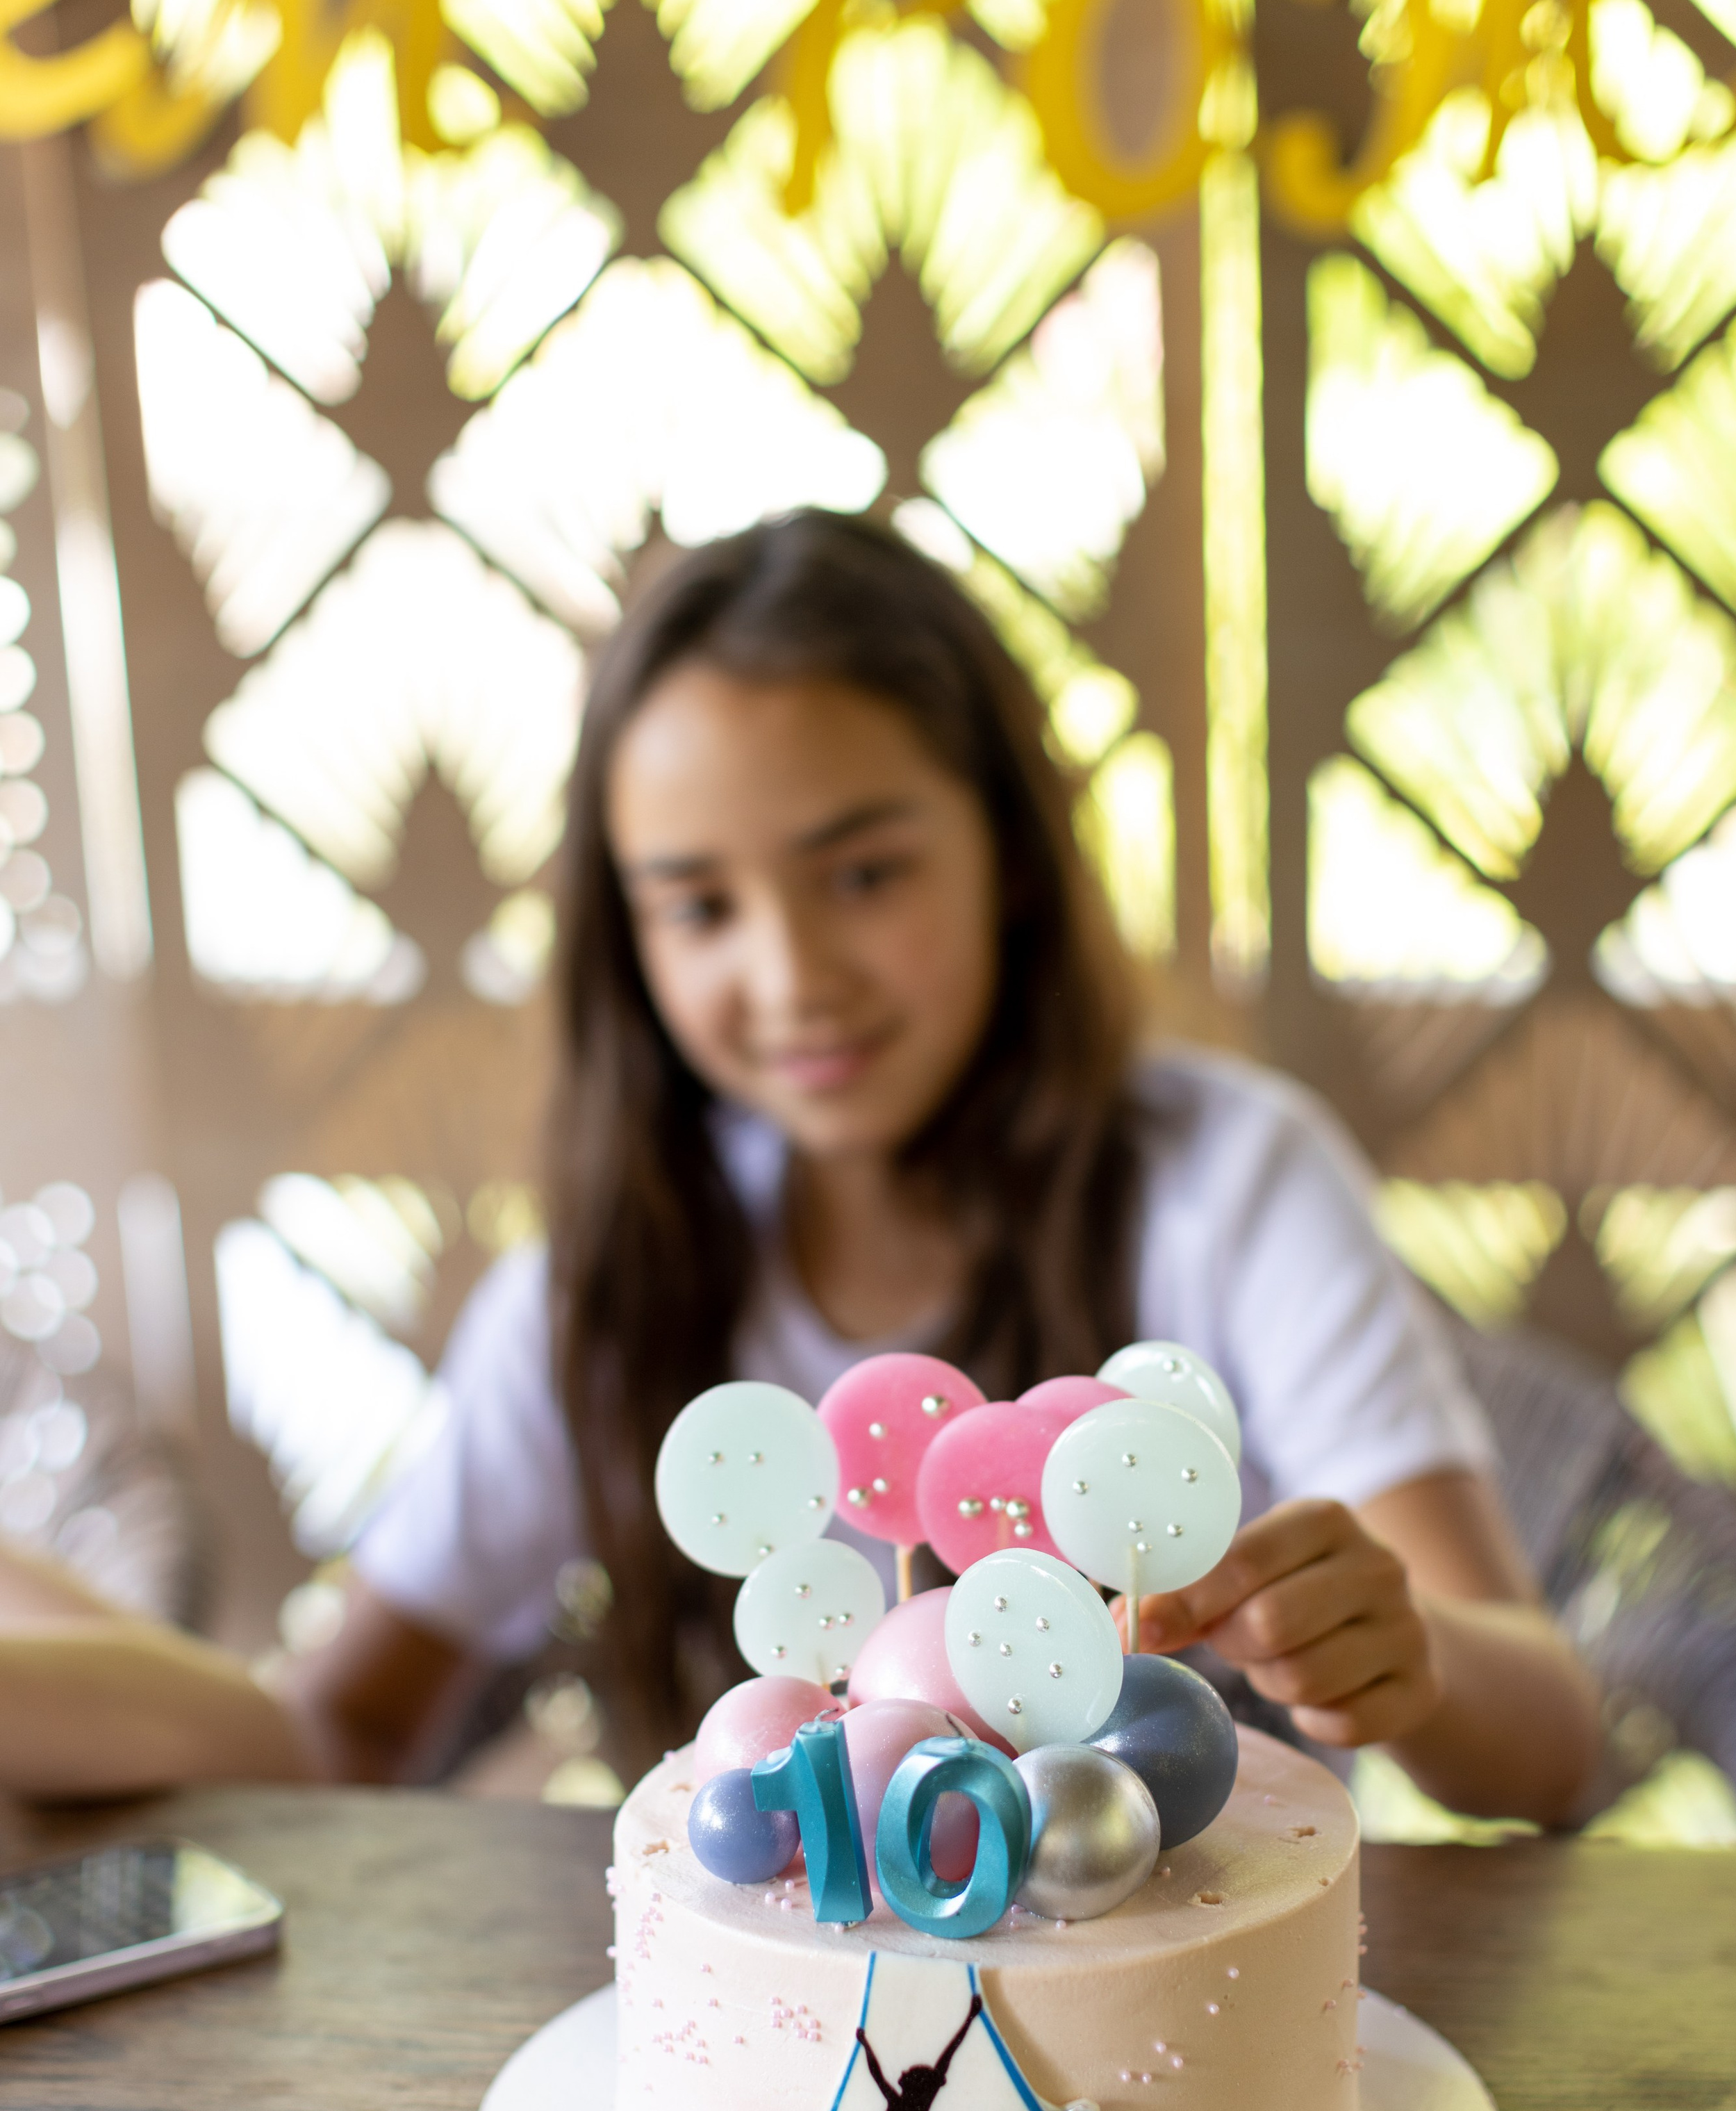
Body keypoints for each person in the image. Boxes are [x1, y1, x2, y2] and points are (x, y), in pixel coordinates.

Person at [0, 512, 1600, 1818]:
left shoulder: (1227, 1179)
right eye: (698, 904)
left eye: (862, 871)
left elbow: (1548, 1741)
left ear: (1010, 853)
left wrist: (1406, 1658)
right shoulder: (607, 1280)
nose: (790, 976)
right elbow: (339, 1737)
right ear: (625, 940)